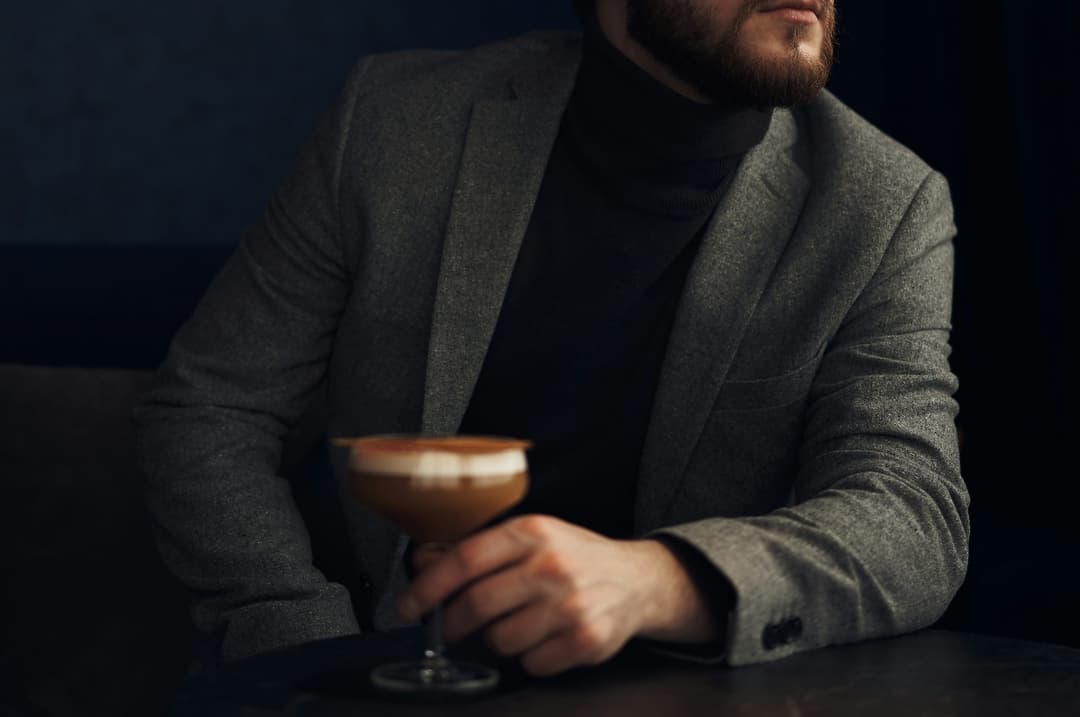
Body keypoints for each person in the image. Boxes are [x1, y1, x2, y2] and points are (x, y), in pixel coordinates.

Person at [134, 0, 969, 676]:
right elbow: (209, 406)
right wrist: (311, 646)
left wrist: (658, 579)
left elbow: (912, 514)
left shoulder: (884, 204)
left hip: (683, 691)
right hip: (380, 669)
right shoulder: (390, 122)